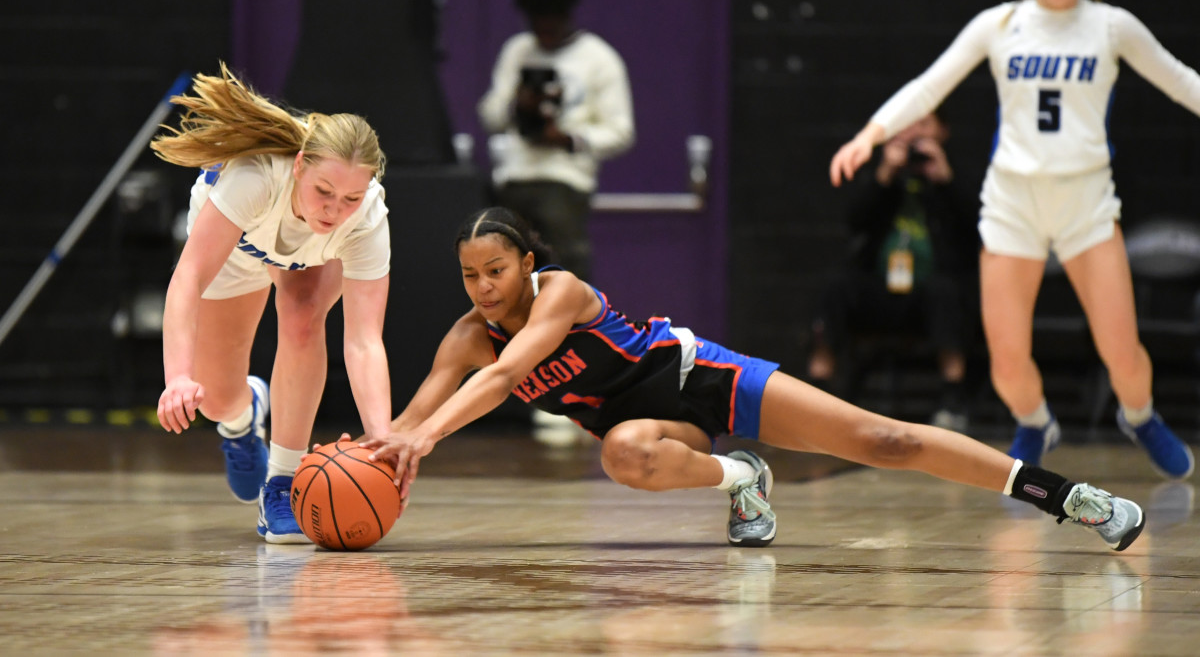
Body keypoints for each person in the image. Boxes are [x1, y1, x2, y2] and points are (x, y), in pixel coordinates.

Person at [358, 207, 1146, 552]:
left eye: (495, 270)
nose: (483, 288)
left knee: (885, 438)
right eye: (469, 277)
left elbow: (505, 377)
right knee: (623, 455)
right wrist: (382, 447)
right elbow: (419, 408)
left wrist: (426, 436)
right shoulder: (465, 335)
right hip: (657, 430)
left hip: (702, 379)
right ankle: (741, 477)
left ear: (526, 262)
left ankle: (1064, 497)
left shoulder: (559, 293)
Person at [830, 0, 1199, 479]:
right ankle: (1035, 422)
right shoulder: (1000, 23)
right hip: (1012, 205)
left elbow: (1178, 79)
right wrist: (871, 133)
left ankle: (1140, 416)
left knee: (1123, 355)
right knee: (1006, 363)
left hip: (1085, 205)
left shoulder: (1111, 26)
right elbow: (929, 86)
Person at [151, 62, 394, 543]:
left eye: (350, 197)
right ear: (300, 166)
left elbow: (365, 341)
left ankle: (282, 483)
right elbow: (188, 278)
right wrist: (177, 377)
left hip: (309, 261)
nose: (334, 209)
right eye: (324, 191)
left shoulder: (365, 217)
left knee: (304, 318)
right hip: (236, 252)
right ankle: (245, 417)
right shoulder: (257, 177)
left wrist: (382, 440)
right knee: (216, 401)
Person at [809, 110, 979, 430]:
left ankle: (953, 397)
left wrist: (945, 180)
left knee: (946, 293)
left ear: (944, 131)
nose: (914, 134)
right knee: (835, 287)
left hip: (930, 291)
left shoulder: (955, 175)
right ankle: (816, 393)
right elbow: (854, 220)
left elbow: (978, 227)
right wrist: (885, 173)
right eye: (908, 126)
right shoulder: (883, 176)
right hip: (881, 288)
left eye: (924, 125)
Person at [477, 0, 635, 282]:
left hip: (565, 181)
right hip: (513, 179)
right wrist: (518, 106)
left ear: (566, 15)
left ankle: (571, 325)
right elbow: (490, 114)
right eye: (537, 20)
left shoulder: (598, 58)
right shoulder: (518, 50)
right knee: (504, 278)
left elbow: (621, 131)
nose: (544, 28)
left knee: (563, 274)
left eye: (550, 19)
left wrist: (568, 139)